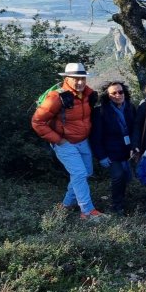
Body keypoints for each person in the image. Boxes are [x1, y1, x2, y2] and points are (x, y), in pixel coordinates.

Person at [32, 62, 106, 220]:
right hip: (64, 142)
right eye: (75, 79)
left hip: (82, 140)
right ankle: (87, 211)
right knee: (79, 173)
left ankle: (66, 205)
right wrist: (58, 140)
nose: (79, 82)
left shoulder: (88, 94)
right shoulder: (56, 97)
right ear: (66, 78)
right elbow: (37, 122)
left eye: (82, 78)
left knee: (86, 173)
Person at [91, 81, 137, 215]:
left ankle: (122, 199)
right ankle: (117, 206)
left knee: (127, 178)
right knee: (118, 176)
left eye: (120, 92)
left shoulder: (130, 108)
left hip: (128, 150)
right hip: (111, 152)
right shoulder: (100, 112)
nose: (118, 95)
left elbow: (134, 129)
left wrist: (135, 146)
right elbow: (96, 136)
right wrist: (101, 156)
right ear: (108, 96)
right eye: (114, 93)